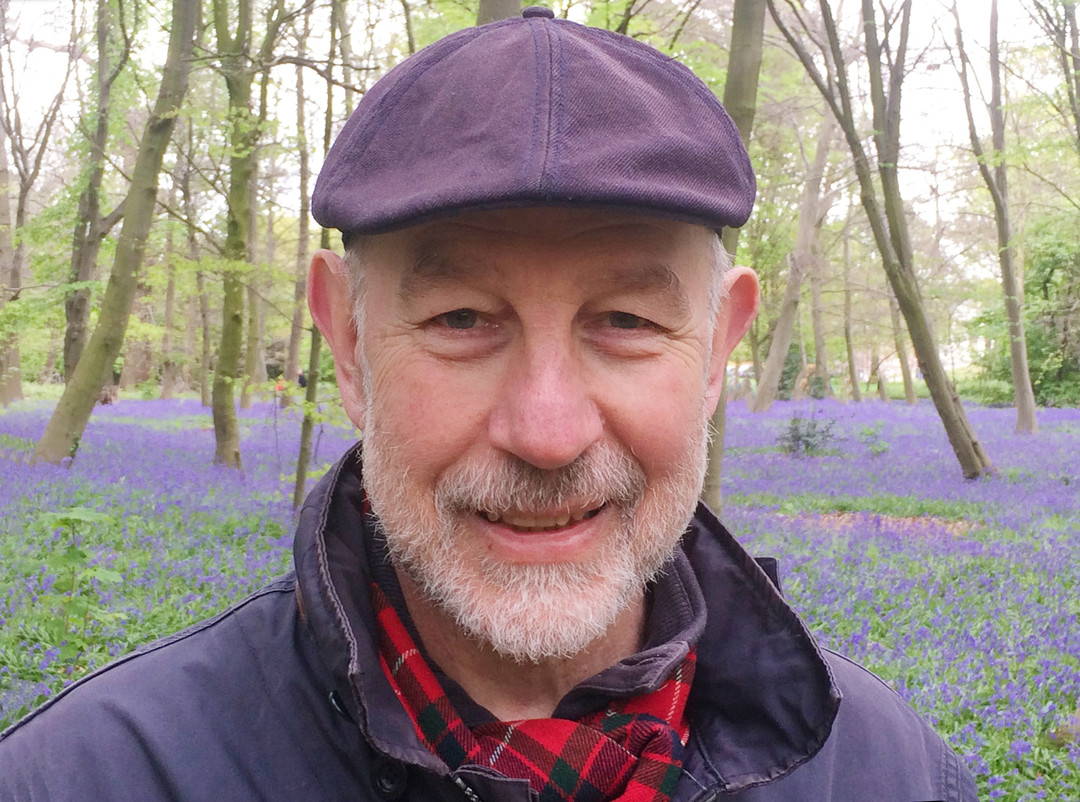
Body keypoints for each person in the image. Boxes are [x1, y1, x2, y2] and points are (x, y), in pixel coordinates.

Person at [0, 9, 977, 801]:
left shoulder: (893, 776)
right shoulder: (88, 779)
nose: (548, 434)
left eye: (627, 320)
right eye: (461, 318)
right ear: (348, 344)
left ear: (719, 347)